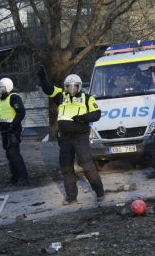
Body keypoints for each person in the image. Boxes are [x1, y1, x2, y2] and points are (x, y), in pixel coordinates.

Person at [37, 66, 105, 204]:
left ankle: (100, 192)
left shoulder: (87, 98)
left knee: (86, 164)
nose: (71, 89)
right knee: (66, 166)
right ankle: (71, 197)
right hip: (65, 137)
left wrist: (82, 118)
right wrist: (43, 78)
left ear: (79, 87)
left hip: (80, 135)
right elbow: (48, 89)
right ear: (66, 86)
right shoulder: (61, 95)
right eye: (69, 86)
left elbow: (97, 114)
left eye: (75, 87)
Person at [0, 78, 29, 185]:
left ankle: (24, 177)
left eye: (2, 88)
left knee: (14, 154)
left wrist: (13, 125)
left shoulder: (13, 97)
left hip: (13, 130)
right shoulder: (1, 101)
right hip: (5, 131)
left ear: (8, 87)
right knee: (9, 155)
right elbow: (2, 118)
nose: (0, 90)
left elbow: (21, 112)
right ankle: (15, 177)